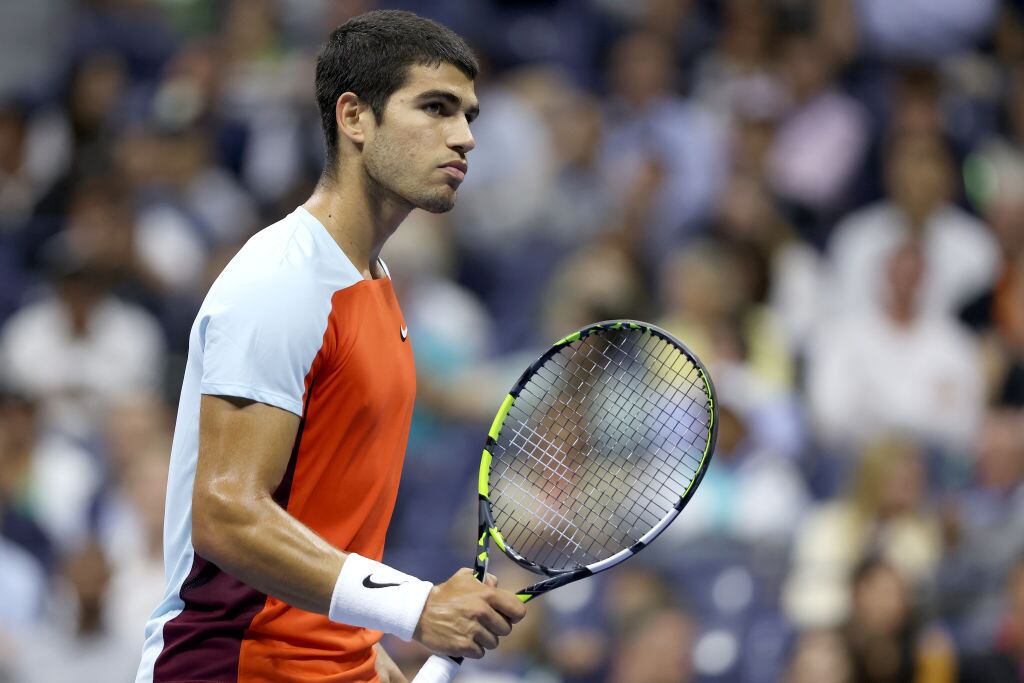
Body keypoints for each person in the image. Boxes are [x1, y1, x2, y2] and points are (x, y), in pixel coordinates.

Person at [135, 11, 526, 683]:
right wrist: (418, 605)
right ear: (354, 117)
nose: (463, 137)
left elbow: (323, 543)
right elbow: (227, 516)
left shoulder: (374, 286)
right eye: (434, 107)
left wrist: (375, 664)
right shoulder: (283, 279)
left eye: (468, 115)